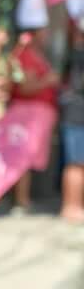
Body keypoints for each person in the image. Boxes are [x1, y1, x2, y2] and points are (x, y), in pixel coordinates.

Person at [10, 0, 60, 212]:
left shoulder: (34, 54)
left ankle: (23, 199)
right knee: (22, 158)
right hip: (27, 113)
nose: (47, 33)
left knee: (27, 158)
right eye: (43, 30)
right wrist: (48, 81)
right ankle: (21, 201)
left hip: (37, 114)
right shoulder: (24, 55)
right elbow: (25, 87)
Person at [59, 20, 84, 224]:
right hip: (77, 116)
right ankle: (71, 207)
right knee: (76, 164)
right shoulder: (78, 55)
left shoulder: (74, 54)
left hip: (74, 114)